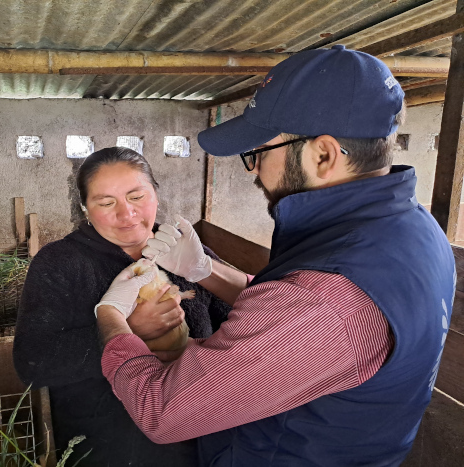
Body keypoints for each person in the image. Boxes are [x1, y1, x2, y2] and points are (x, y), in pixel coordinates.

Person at [95, 45, 455, 466]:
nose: (253, 169)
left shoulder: (327, 302)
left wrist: (110, 315)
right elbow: (290, 313)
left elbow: (160, 412)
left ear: (324, 155)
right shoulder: (414, 227)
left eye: (260, 151)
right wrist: (206, 271)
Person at [12, 147, 232, 466]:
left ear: (156, 194)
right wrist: (127, 333)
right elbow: (32, 363)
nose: (126, 214)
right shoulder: (60, 262)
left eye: (137, 196)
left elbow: (242, 328)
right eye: (106, 203)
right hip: (107, 440)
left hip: (200, 424)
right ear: (85, 208)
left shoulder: (190, 253)